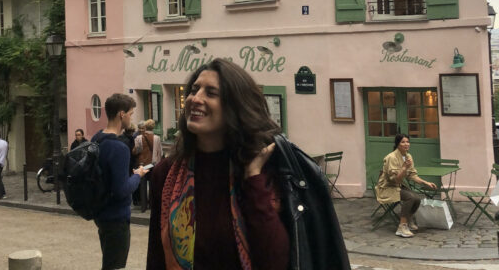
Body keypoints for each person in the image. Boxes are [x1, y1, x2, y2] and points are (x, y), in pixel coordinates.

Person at [147, 58, 349, 270]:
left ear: (235, 106)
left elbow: (275, 261)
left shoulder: (267, 171)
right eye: (194, 90)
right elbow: (156, 257)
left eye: (211, 93)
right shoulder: (167, 174)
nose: (195, 99)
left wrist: (253, 178)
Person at [91, 94, 148, 270]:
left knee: (109, 260)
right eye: (131, 113)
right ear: (121, 114)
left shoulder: (97, 138)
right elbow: (121, 190)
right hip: (116, 216)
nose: (132, 117)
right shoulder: (119, 148)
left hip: (100, 212)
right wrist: (138, 175)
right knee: (114, 265)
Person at [375, 133, 437, 238]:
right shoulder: (391, 157)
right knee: (410, 197)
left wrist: (426, 182)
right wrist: (403, 168)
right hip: (387, 186)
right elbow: (395, 179)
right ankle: (402, 227)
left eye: (407, 142)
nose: (406, 144)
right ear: (398, 144)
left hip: (398, 186)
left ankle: (408, 220)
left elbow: (412, 175)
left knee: (417, 199)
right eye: (403, 142)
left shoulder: (408, 156)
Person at [134, 119, 162, 212]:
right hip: (153, 164)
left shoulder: (139, 138)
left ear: (145, 127)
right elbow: (160, 152)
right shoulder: (157, 138)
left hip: (142, 164)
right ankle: (151, 204)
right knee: (152, 184)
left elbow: (136, 150)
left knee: (142, 185)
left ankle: (143, 206)